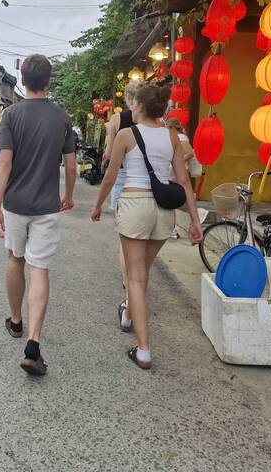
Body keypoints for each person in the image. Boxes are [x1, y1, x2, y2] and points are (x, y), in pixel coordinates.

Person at [90, 84, 203, 370]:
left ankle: (143, 349)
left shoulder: (127, 135)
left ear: (138, 105)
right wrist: (195, 221)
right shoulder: (172, 137)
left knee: (136, 278)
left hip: (135, 205)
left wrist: (98, 205)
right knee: (142, 272)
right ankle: (128, 314)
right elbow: (184, 181)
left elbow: (110, 176)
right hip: (164, 212)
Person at [0, 54, 77, 376]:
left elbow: (4, 163)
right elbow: (70, 165)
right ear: (49, 81)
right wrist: (67, 196)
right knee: (39, 267)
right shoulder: (62, 117)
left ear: (23, 81)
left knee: (15, 260)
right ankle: (33, 342)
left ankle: (16, 322)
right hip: (46, 206)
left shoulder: (10, 114)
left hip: (15, 204)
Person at [102, 80, 142, 330]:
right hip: (148, 183)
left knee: (123, 240)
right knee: (141, 243)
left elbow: (108, 155)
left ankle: (129, 287)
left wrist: (109, 133)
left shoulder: (118, 120)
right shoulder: (155, 121)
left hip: (124, 180)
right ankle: (137, 285)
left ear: (127, 98)